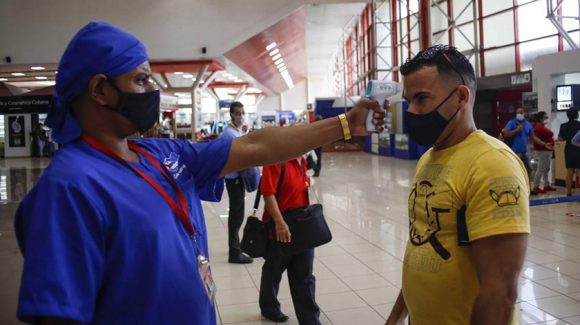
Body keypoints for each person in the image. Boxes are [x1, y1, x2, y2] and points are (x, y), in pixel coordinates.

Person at [14, 22, 385, 325]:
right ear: (100, 90)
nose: (153, 91)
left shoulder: (159, 154)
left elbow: (256, 146)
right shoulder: (68, 189)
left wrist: (344, 124)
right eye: (142, 81)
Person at [385, 45, 529, 325]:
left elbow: (500, 292)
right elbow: (423, 244)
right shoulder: (429, 157)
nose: (412, 111)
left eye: (422, 99)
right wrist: (396, 317)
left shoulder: (491, 163)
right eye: (409, 101)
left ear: (461, 96)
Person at [259, 156, 320, 324]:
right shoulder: (276, 160)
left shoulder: (303, 161)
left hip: (303, 225)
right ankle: (269, 307)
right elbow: (268, 193)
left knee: (304, 275)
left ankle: (310, 320)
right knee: (274, 270)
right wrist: (279, 222)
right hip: (281, 225)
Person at [221, 101, 253, 264]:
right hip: (233, 179)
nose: (241, 116)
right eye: (238, 113)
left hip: (237, 178)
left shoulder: (236, 131)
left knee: (238, 214)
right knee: (236, 215)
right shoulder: (229, 134)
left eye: (242, 113)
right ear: (232, 114)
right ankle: (234, 252)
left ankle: (236, 246)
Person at [502, 107, 552, 195]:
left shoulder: (527, 124)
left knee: (528, 170)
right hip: (514, 152)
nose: (519, 114)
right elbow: (505, 133)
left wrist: (544, 144)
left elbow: (533, 137)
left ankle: (528, 189)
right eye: (518, 113)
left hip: (524, 151)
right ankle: (516, 190)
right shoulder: (512, 123)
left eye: (521, 112)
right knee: (515, 171)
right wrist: (516, 130)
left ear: (524, 113)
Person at [558, 107, 580, 196]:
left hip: (569, 149)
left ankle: (568, 192)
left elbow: (560, 138)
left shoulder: (563, 125)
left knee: (569, 171)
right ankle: (579, 192)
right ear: (576, 114)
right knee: (579, 172)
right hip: (578, 148)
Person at [532, 111, 556, 193]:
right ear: (540, 118)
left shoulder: (542, 127)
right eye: (545, 117)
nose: (547, 119)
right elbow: (535, 138)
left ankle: (546, 185)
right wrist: (544, 144)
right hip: (543, 150)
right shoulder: (538, 127)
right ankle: (536, 186)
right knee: (541, 168)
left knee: (546, 168)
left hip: (547, 150)